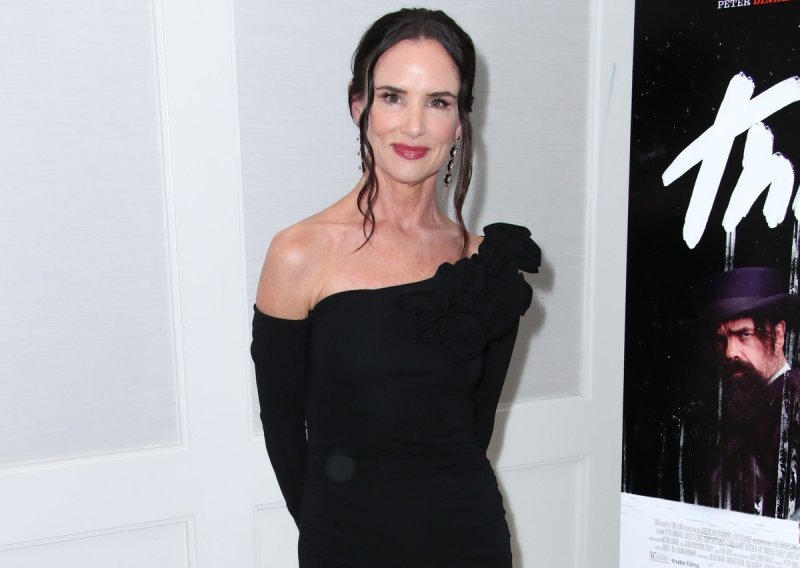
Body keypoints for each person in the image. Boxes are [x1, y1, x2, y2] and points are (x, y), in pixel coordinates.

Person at [250, 8, 540, 566]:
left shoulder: (488, 265)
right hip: (346, 546)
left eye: (438, 102)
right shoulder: (300, 253)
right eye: (392, 97)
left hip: (471, 540)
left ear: (460, 121)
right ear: (358, 105)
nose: (413, 126)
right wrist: (334, 539)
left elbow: (474, 430)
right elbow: (283, 431)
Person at [688, 267, 800, 518]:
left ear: (778, 335)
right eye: (720, 339)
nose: (730, 352)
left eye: (745, 335)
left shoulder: (794, 404)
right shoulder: (743, 406)